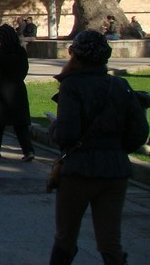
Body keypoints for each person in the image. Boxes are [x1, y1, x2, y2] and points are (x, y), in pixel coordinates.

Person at [48, 30, 149, 264]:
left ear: (76, 56)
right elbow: (139, 133)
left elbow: (67, 133)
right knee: (110, 242)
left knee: (65, 237)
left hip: (79, 171)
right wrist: (114, 148)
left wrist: (54, 127)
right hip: (115, 171)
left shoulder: (72, 86)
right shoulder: (120, 86)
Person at [0, 24, 34, 160]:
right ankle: (28, 150)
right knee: (20, 124)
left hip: (2, 90)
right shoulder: (20, 51)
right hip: (18, 89)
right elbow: (25, 68)